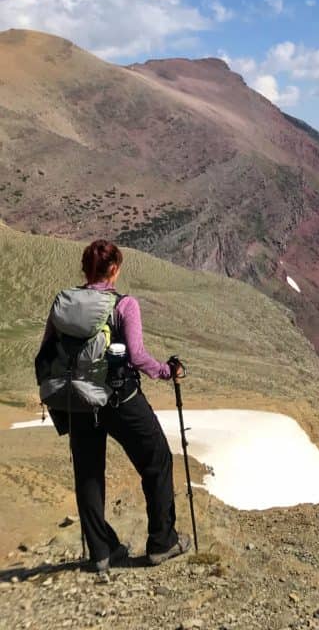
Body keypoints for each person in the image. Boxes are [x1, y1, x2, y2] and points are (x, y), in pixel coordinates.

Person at [36, 239, 192, 572]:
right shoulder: (124, 305)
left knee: (89, 474)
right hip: (118, 399)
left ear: (84, 269)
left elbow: (47, 348)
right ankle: (162, 543)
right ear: (114, 269)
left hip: (76, 400)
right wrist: (166, 371)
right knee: (157, 457)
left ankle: (101, 552)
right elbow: (136, 356)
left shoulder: (63, 303)